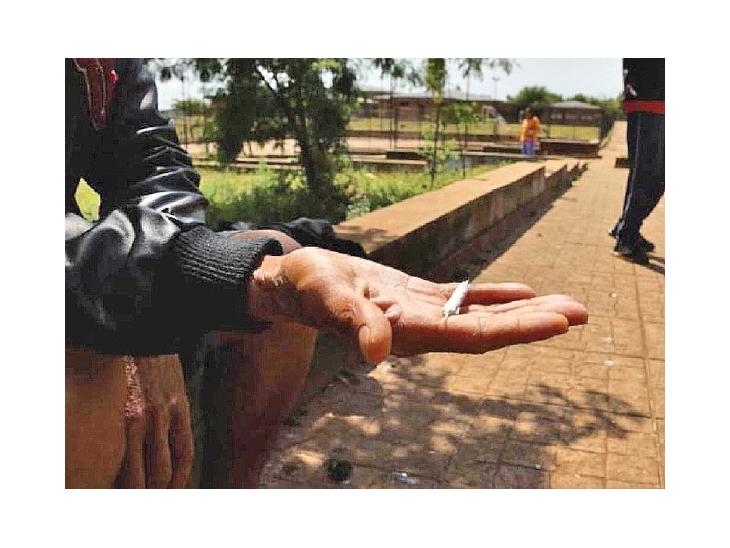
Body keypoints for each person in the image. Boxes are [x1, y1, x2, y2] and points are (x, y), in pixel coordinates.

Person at [65, 58, 588, 488]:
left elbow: (154, 168)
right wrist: (149, 300)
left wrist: (158, 300)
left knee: (286, 262)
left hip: (95, 263)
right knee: (88, 387)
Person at [610, 58, 664, 265]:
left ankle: (626, 227)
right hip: (650, 97)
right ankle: (627, 236)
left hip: (651, 97)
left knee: (645, 172)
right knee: (651, 173)